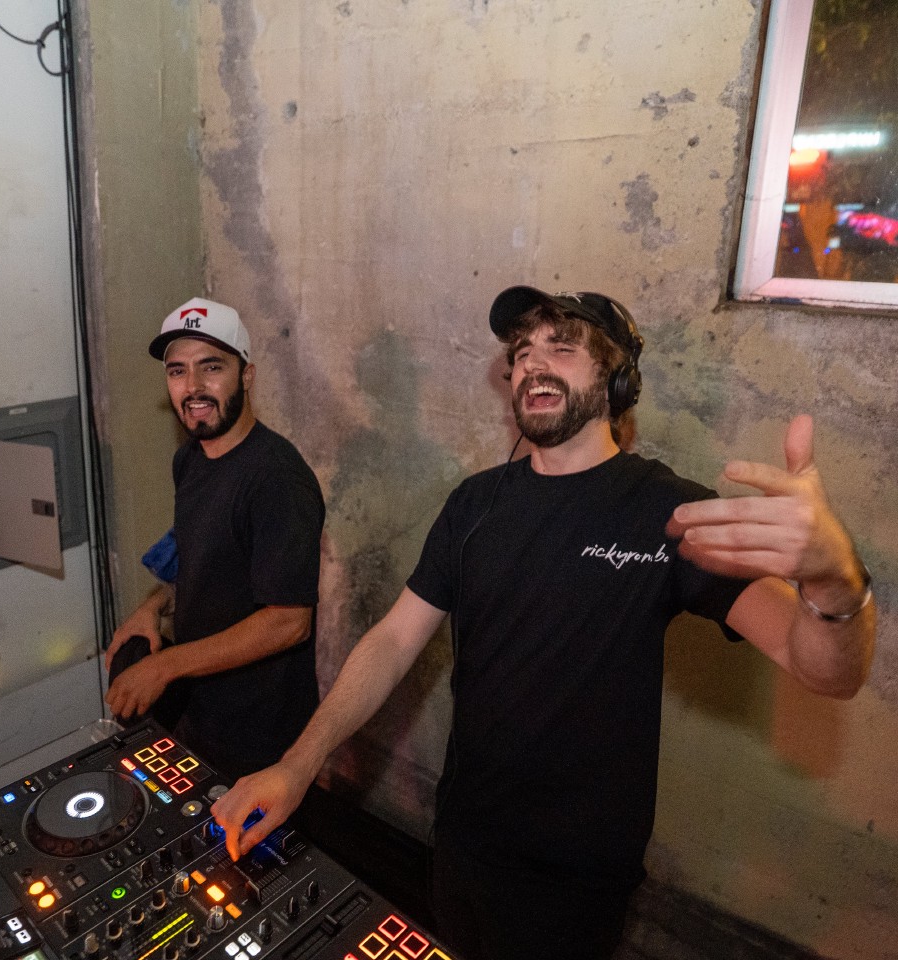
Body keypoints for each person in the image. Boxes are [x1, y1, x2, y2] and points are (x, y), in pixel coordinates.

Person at [211, 286, 875, 960]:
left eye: (562, 347)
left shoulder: (668, 513)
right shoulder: (474, 505)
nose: (532, 364)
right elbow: (392, 640)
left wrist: (835, 581)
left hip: (575, 884)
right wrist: (298, 765)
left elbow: (827, 671)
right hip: (462, 846)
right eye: (522, 353)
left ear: (618, 381)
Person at [104, 297, 325, 780]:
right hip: (201, 713)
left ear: (246, 375)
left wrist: (164, 667)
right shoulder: (190, 460)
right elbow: (203, 561)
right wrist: (152, 607)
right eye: (177, 371)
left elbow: (288, 622)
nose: (193, 387)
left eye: (211, 367)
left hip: (262, 738)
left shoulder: (276, 479)